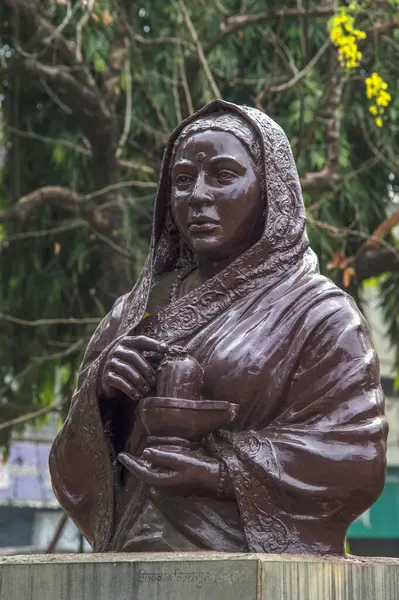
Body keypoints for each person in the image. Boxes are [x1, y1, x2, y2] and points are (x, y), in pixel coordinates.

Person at [49, 100, 387, 555]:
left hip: (244, 563)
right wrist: (100, 393)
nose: (199, 196)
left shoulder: (321, 314)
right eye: (183, 181)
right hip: (131, 555)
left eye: (224, 176)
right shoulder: (133, 311)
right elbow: (69, 467)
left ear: (269, 189)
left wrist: (218, 472)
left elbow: (358, 458)